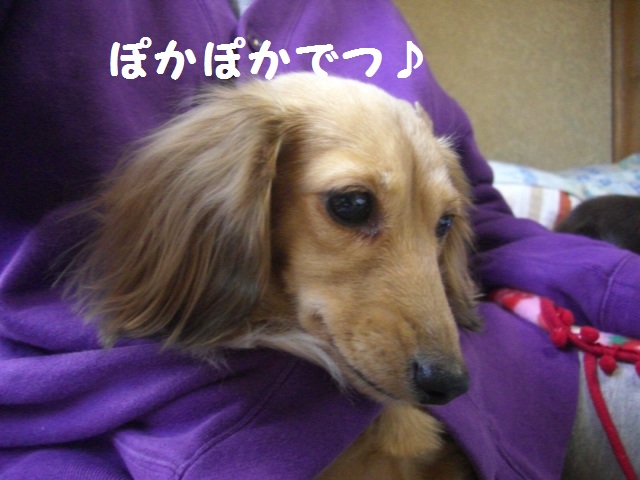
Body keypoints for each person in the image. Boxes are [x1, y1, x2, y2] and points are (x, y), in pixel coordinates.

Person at [1, 1, 639, 478]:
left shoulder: (373, 20)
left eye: (441, 223)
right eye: (351, 205)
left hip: (495, 388)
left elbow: (481, 222)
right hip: (120, 386)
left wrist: (621, 286)